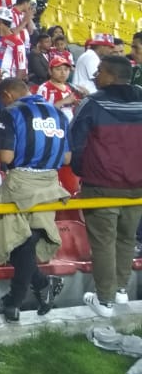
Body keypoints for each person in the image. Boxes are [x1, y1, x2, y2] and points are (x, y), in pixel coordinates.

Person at [0, 77, 70, 322]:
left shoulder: (11, 112)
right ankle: (38, 287)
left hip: (21, 182)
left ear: (7, 96)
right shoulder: (58, 113)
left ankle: (16, 299)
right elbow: (66, 159)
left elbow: (7, 155)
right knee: (28, 238)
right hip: (51, 183)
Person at [71, 55, 142, 316]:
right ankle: (120, 291)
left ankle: (105, 300)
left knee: (103, 243)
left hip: (102, 185)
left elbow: (75, 142)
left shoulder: (92, 103)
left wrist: (82, 170)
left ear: (111, 75)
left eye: (99, 71)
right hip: (137, 188)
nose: (94, 76)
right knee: (126, 238)